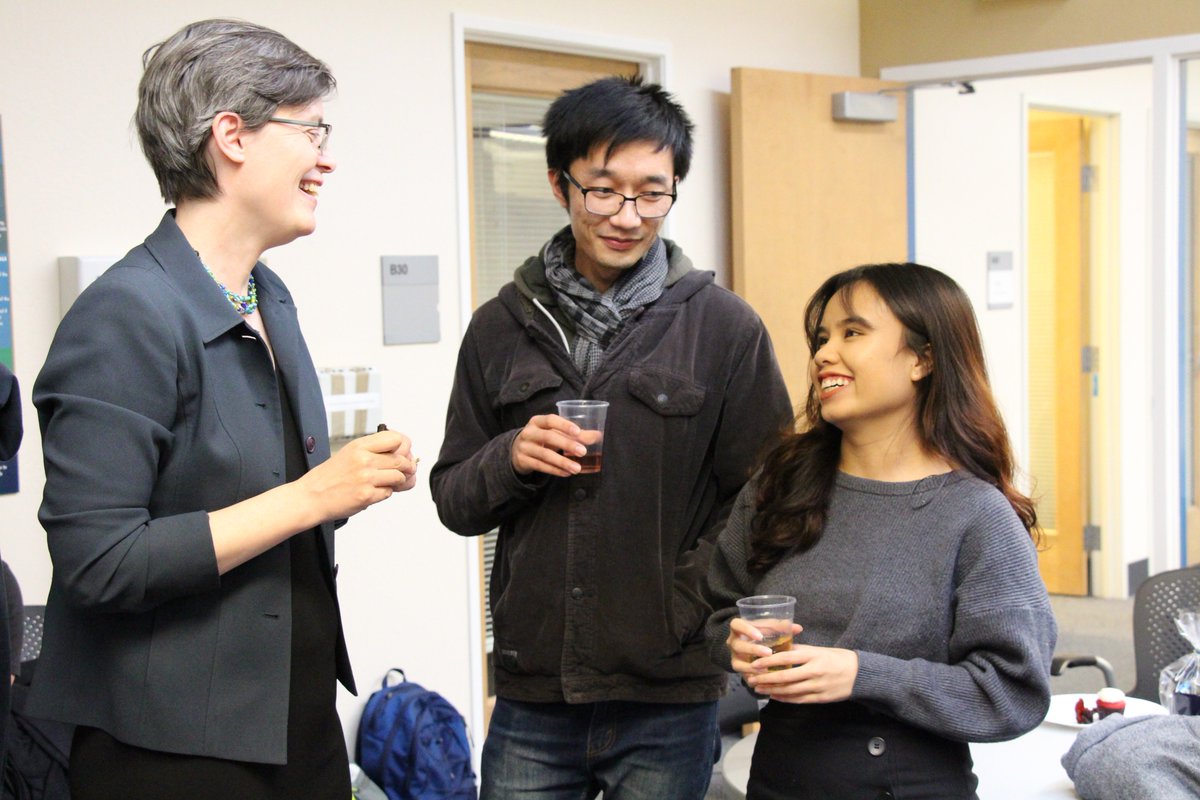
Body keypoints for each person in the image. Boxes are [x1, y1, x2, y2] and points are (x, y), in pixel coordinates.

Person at [28, 19, 417, 800]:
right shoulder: (125, 314)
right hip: (171, 752)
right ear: (231, 136)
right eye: (311, 130)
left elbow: (254, 498)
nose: (326, 156)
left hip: (291, 719)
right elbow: (100, 561)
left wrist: (348, 485)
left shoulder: (268, 296)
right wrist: (313, 494)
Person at [430, 76, 791, 799]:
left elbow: (766, 501)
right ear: (561, 185)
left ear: (674, 188)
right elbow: (454, 499)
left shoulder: (723, 328)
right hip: (535, 691)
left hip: (668, 693)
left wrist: (686, 604)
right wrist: (509, 457)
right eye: (604, 190)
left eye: (651, 193)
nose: (628, 215)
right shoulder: (499, 327)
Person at [703, 263, 1057, 799]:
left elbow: (1012, 692)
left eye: (853, 333)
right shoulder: (779, 484)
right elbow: (716, 611)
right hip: (780, 777)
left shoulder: (976, 515)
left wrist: (864, 675)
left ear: (922, 358)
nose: (824, 354)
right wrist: (734, 642)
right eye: (822, 338)